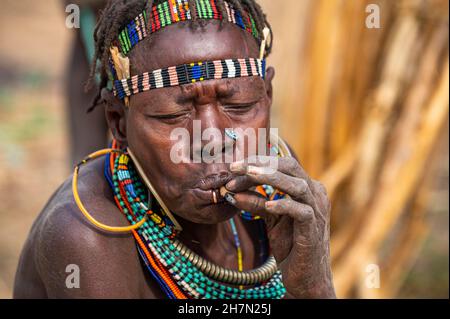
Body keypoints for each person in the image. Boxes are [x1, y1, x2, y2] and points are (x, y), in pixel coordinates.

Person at [14, 0, 336, 299]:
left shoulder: (276, 189)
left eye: (239, 106)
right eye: (174, 115)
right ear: (118, 122)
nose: (211, 140)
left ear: (267, 94)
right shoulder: (89, 237)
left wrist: (313, 286)